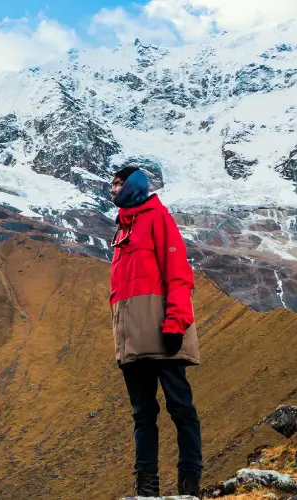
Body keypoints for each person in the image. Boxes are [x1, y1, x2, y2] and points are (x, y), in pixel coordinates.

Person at [109, 166, 202, 497]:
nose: (112, 190)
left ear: (133, 185)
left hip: (164, 335)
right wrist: (121, 340)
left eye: (118, 184)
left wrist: (175, 323)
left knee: (181, 409)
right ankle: (147, 489)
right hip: (132, 342)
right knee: (142, 415)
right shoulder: (121, 230)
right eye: (111, 185)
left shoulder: (158, 219)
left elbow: (179, 275)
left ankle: (189, 487)